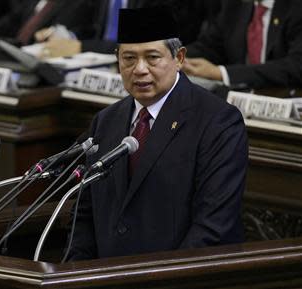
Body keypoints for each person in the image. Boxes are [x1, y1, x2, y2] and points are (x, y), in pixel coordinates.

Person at [67, 7, 248, 261]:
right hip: (106, 278)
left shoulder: (217, 121)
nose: (139, 69)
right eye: (128, 58)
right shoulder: (106, 121)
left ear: (179, 58)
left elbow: (213, 227)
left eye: (152, 57)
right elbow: (84, 216)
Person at [183, 0, 302, 90]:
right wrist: (173, 55)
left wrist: (221, 73)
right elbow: (210, 47)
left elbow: (295, 67)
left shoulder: (296, 8)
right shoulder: (235, 5)